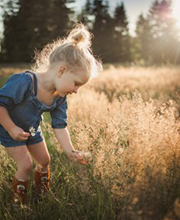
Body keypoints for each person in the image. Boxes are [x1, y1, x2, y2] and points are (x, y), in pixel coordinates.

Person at [0, 23, 102, 206]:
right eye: (76, 83)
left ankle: (42, 196)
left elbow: (60, 125)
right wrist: (11, 128)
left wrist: (70, 151)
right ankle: (19, 204)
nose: (76, 91)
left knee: (45, 160)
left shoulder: (60, 98)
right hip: (8, 128)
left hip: (31, 129)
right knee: (26, 165)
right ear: (62, 70)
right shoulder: (25, 82)